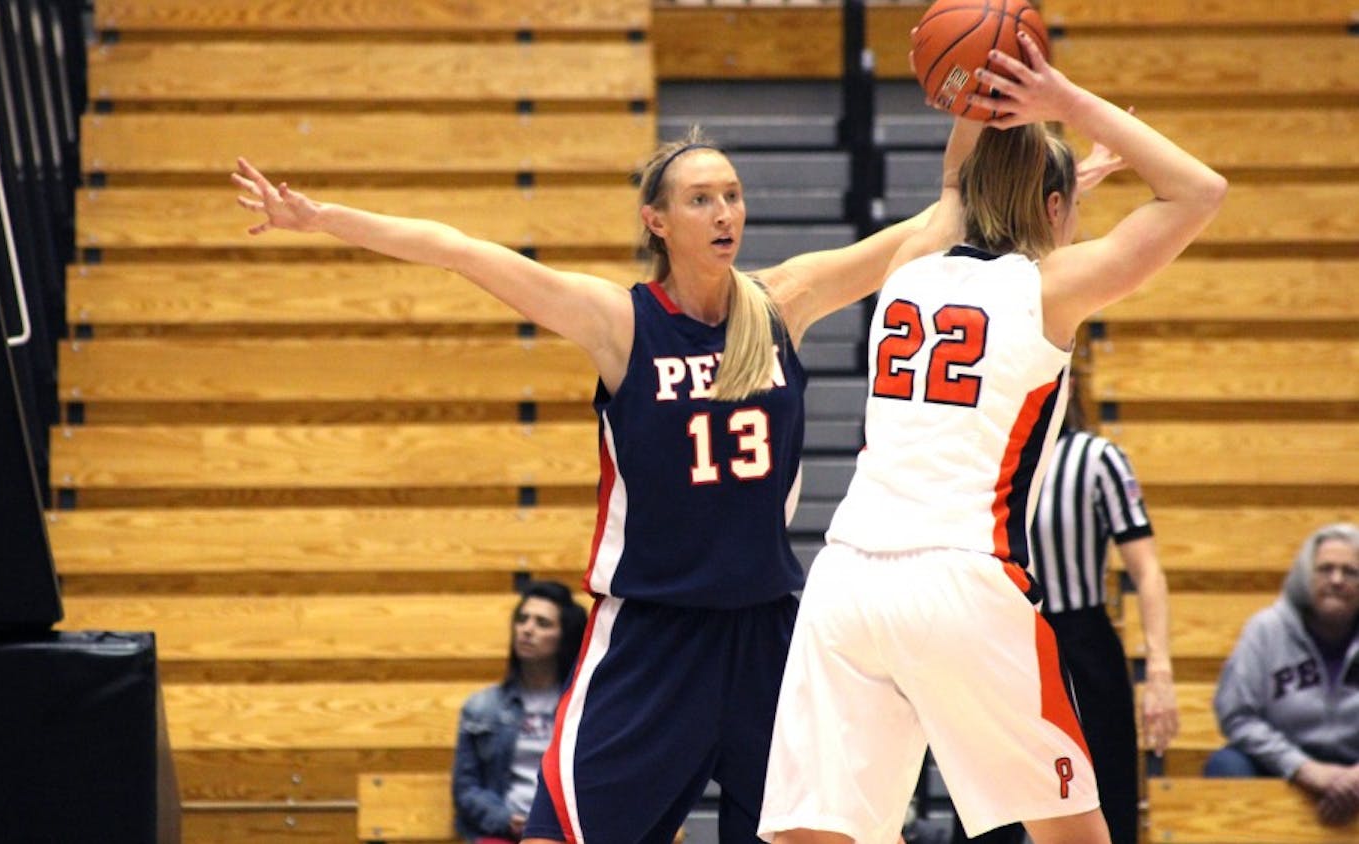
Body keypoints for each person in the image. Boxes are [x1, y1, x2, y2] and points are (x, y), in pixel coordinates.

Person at [232, 118, 974, 842]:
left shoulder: (779, 304)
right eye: (700, 200)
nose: (725, 213)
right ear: (657, 221)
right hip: (651, 636)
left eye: (733, 195)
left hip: (766, 632)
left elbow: (935, 222)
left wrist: (980, 109)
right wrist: (321, 217)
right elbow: (460, 251)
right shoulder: (620, 322)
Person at [758, 30, 1225, 844]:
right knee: (1072, 834)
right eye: (1072, 204)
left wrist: (1000, 97)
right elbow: (1198, 191)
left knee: (819, 833)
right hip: (961, 580)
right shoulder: (1053, 285)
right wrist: (1062, 98)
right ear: (1054, 209)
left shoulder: (914, 257)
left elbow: (956, 181)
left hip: (845, 579)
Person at [948, 386, 1179, 844]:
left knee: (1107, 796)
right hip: (998, 634)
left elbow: (1147, 571)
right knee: (987, 803)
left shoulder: (1097, 458)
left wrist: (1160, 671)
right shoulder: (976, 456)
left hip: (1082, 642)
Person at [1206, 522, 1359, 827]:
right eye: (1325, 569)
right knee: (1226, 764)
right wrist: (1302, 768)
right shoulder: (1265, 630)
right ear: (1306, 576)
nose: (1337, 580)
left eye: (1350, 572)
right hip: (1280, 764)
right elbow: (1236, 715)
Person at [453, 581, 589, 843]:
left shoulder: (582, 709)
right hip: (503, 832)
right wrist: (504, 819)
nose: (527, 629)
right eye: (522, 619)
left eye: (542, 623)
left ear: (564, 636)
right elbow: (466, 788)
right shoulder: (482, 708)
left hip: (564, 832)